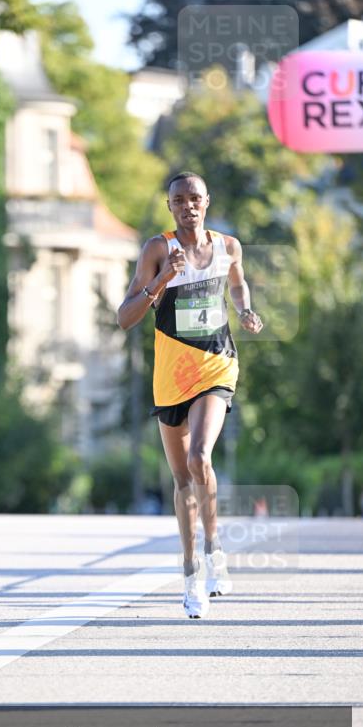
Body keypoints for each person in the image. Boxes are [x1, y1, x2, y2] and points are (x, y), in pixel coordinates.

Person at [117, 171, 263, 619]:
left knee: (201, 457)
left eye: (195, 198)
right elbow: (126, 317)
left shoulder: (228, 246)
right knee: (182, 481)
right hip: (171, 374)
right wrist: (162, 278)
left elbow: (236, 281)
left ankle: (215, 545)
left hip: (216, 364)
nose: (188, 206)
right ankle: (190, 572)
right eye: (179, 200)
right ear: (170, 206)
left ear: (207, 201)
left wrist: (244, 309)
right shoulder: (158, 250)